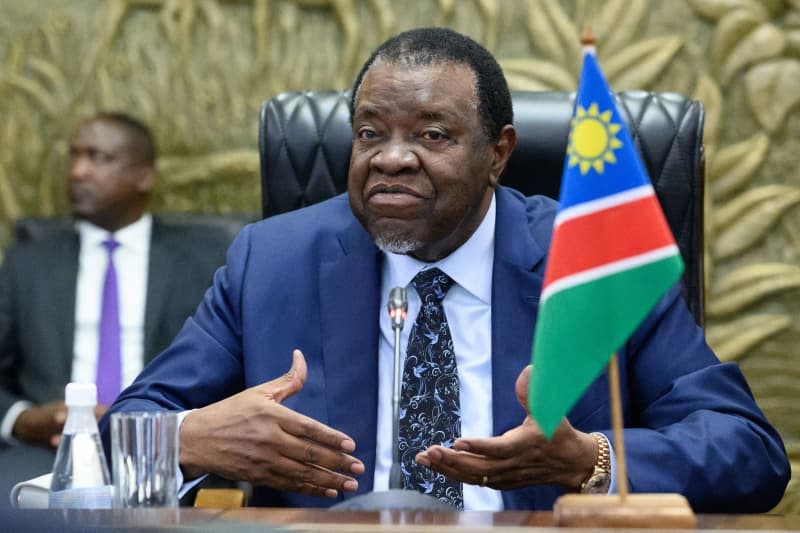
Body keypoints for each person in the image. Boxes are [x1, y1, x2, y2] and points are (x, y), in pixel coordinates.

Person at [101, 28, 790, 512]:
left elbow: (750, 451)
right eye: (371, 132)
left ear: (498, 153)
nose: (391, 157)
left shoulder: (591, 261)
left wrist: (592, 460)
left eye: (431, 134)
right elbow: (124, 427)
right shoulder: (271, 261)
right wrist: (191, 438)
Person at [0, 113, 234, 507]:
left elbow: (231, 364)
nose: (78, 172)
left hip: (169, 452)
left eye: (98, 158)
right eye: (74, 157)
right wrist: (24, 420)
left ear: (144, 176)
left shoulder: (204, 259)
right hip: (49, 451)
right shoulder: (26, 263)